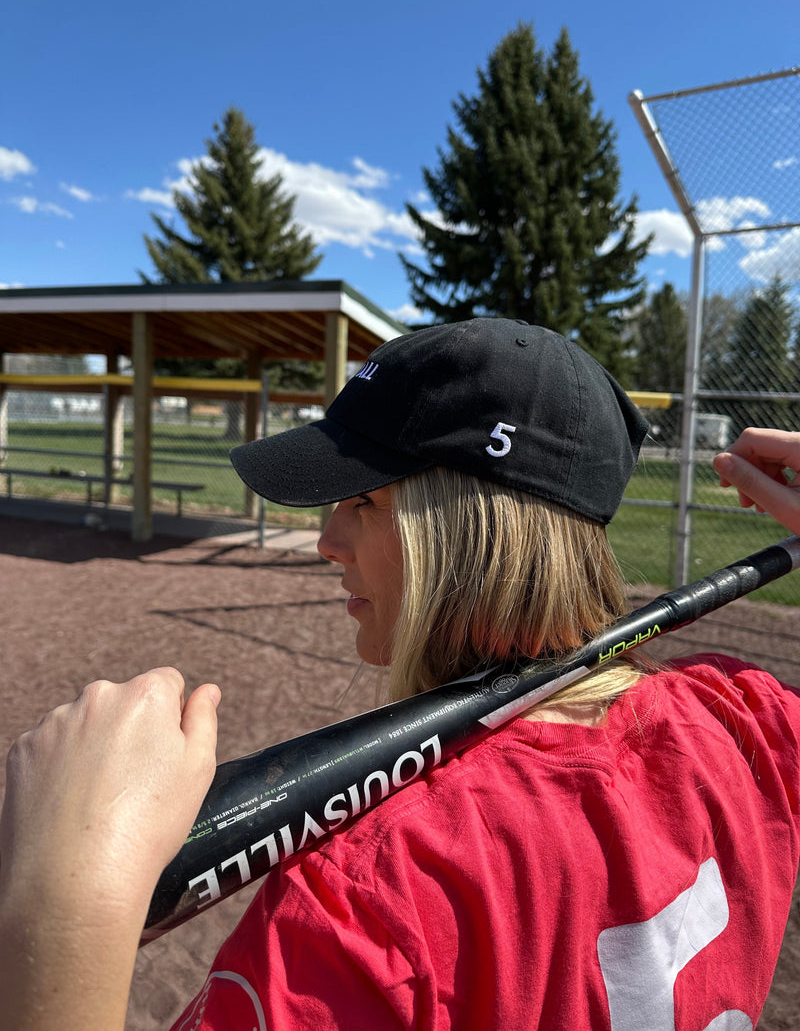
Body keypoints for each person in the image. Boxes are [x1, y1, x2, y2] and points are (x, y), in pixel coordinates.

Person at [1, 320, 800, 1031]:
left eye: (366, 502)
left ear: (464, 534)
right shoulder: (742, 713)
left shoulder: (376, 893)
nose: (327, 541)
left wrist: (63, 913)